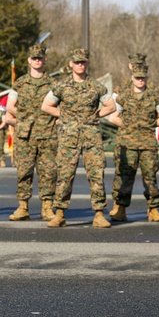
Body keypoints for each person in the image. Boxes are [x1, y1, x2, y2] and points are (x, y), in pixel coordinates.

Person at [41, 48, 116, 228]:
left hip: (91, 136)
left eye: (83, 62)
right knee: (65, 175)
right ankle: (59, 214)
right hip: (68, 137)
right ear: (71, 64)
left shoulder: (96, 86)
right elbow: (46, 106)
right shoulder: (61, 86)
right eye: (77, 62)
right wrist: (64, 116)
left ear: (87, 63)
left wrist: (95, 116)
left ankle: (99, 214)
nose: (80, 65)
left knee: (97, 174)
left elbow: (111, 106)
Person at [107, 64, 159, 222]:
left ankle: (153, 209)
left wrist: (152, 125)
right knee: (125, 177)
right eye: (137, 78)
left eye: (143, 78)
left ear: (147, 78)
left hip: (147, 143)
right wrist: (129, 127)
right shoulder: (124, 95)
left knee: (150, 176)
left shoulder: (153, 94)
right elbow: (113, 117)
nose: (140, 80)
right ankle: (120, 208)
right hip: (128, 143)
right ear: (132, 78)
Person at [4, 43, 57, 221]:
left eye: (40, 58)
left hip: (47, 135)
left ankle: (47, 208)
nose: (37, 61)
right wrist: (24, 117)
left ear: (45, 60)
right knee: (24, 172)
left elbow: (60, 108)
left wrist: (54, 122)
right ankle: (23, 207)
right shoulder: (19, 83)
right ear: (29, 60)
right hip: (25, 135)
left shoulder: (53, 84)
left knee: (48, 172)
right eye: (34, 58)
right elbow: (10, 106)